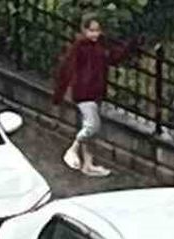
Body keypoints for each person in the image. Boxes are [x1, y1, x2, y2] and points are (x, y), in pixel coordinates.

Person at [52, 15, 138, 178]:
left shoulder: (100, 46)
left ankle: (88, 164)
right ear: (84, 30)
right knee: (92, 126)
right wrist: (59, 95)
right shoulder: (79, 47)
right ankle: (72, 149)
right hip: (83, 92)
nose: (95, 34)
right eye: (91, 30)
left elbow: (113, 58)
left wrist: (130, 46)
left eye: (97, 30)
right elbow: (66, 69)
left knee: (90, 130)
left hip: (96, 92)